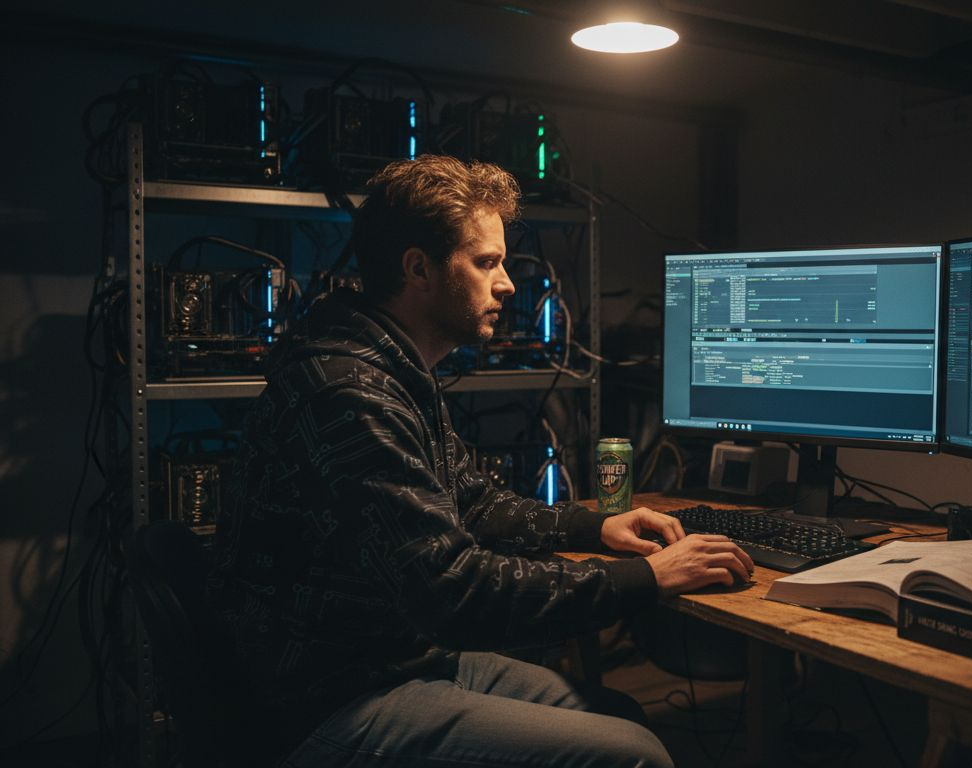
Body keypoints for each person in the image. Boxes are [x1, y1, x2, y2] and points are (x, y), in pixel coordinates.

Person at [208, 155, 754, 768]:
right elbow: (454, 592)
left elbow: (473, 501)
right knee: (633, 754)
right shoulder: (349, 394)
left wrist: (595, 527)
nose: (508, 284)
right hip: (330, 696)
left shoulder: (391, 367)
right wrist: (649, 578)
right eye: (487, 262)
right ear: (419, 268)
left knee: (619, 715)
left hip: (389, 657)